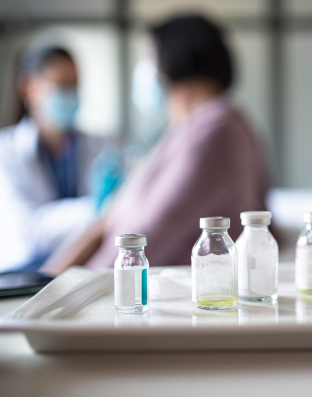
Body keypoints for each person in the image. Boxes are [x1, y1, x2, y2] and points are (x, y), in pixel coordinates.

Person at [40, 15, 269, 275]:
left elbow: (150, 232)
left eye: (148, 57)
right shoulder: (198, 127)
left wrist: (70, 287)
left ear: (171, 59)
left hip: (170, 294)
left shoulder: (215, 130)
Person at [0, 46, 108, 276]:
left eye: (75, 86)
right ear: (29, 87)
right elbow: (29, 231)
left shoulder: (100, 146)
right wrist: (98, 209)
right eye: (62, 85)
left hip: (78, 266)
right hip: (15, 270)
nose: (71, 95)